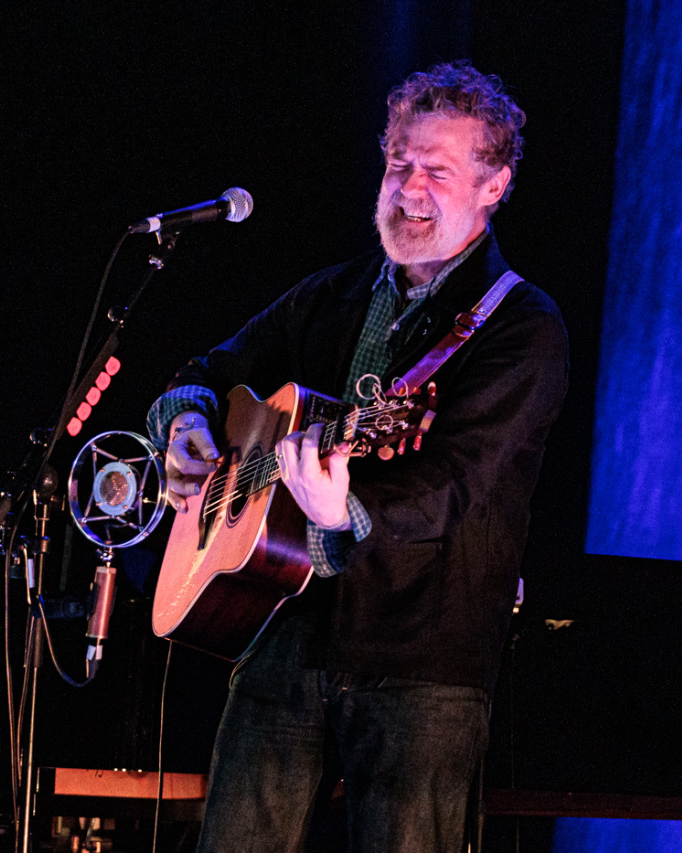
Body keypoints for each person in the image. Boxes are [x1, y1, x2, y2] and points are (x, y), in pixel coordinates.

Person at [147, 61, 569, 852]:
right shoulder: (329, 294)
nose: (408, 186)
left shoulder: (525, 328)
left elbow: (454, 486)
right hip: (283, 630)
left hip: (423, 661)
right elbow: (204, 373)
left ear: (494, 185)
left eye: (436, 170)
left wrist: (345, 510)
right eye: (398, 163)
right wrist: (184, 428)